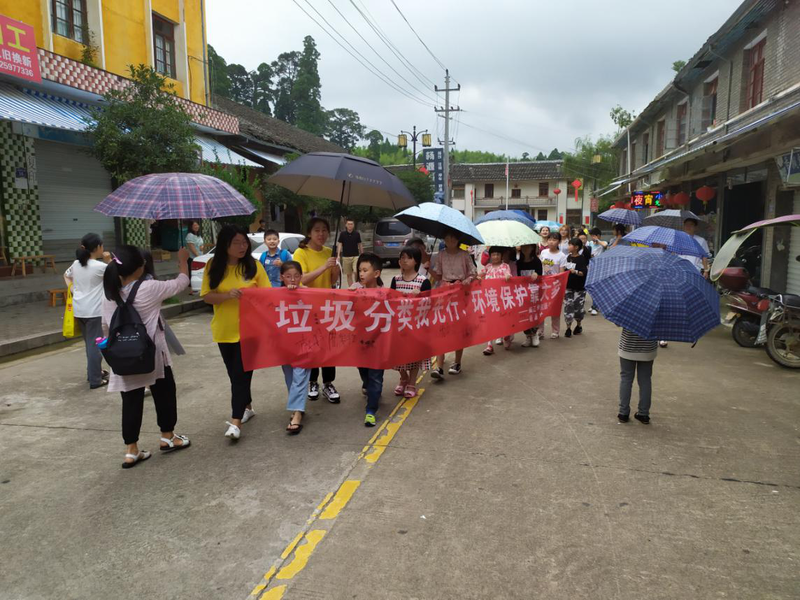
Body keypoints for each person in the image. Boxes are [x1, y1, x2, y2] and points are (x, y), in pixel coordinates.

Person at [102, 245, 191, 468]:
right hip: (151, 355)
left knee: (130, 402)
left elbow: (106, 327)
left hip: (123, 358)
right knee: (165, 393)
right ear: (140, 267)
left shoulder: (109, 293)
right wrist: (182, 260)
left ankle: (131, 451)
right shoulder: (149, 288)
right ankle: (168, 437)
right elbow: (181, 283)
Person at [200, 225, 271, 441]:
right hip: (224, 329)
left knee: (240, 375)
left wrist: (252, 296)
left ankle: (235, 421)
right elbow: (207, 296)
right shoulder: (213, 266)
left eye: (244, 242)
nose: (242, 247)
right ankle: (247, 407)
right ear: (225, 245)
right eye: (236, 243)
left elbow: (268, 296)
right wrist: (227, 296)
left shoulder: (254, 266)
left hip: (250, 332)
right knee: (234, 375)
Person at [293, 217, 341, 402]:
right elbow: (300, 279)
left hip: (327, 307)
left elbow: (332, 281)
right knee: (312, 346)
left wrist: (334, 268)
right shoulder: (300, 253)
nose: (321, 234)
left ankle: (328, 383)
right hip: (307, 309)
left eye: (324, 230)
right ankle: (312, 381)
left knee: (328, 347)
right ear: (309, 233)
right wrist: (324, 267)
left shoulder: (329, 252)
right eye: (317, 230)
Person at [64, 233, 111, 389]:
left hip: (79, 309)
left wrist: (73, 290)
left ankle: (94, 372)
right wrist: (109, 261)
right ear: (97, 247)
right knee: (95, 345)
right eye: (101, 245)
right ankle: (95, 379)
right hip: (94, 311)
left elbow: (66, 275)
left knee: (89, 343)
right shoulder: (101, 267)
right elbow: (118, 278)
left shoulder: (76, 264)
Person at [429, 229, 476, 380]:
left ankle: (457, 362)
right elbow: (438, 275)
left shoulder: (464, 254)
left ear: (458, 240)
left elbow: (473, 272)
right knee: (442, 327)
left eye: (453, 239)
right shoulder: (441, 254)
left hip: (460, 292)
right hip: (444, 292)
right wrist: (427, 268)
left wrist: (466, 281)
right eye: (447, 238)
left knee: (458, 328)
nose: (450, 241)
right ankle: (439, 366)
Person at [391, 246, 432, 398]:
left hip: (417, 324)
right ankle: (403, 378)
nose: (404, 260)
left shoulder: (423, 281)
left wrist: (419, 297)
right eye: (402, 257)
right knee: (397, 353)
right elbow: (391, 300)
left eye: (408, 257)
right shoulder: (396, 280)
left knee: (414, 354)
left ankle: (411, 382)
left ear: (416, 261)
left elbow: (429, 304)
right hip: (400, 323)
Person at [278, 261, 311, 435]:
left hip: (305, 343)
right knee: (290, 376)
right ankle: (298, 406)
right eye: (288, 276)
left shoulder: (307, 292)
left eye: (296, 276)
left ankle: (297, 414)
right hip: (285, 344)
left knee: (300, 375)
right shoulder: (275, 294)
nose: (293, 279)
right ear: (281, 277)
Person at [355, 253, 385, 427]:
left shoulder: (385, 293)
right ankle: (370, 389)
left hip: (379, 342)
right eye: (360, 270)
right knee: (365, 374)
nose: (361, 274)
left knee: (375, 376)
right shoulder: (355, 289)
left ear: (377, 273)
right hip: (360, 342)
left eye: (365, 270)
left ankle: (371, 410)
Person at [617, 328, 658, 424]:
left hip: (628, 346)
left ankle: (623, 413)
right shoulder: (656, 312)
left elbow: (618, 322)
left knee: (626, 379)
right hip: (648, 348)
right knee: (645, 380)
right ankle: (644, 414)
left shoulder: (628, 311)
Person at [478, 247, 513, 355]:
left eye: (498, 254)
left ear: (501, 256)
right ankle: (489, 345)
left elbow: (509, 274)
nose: (495, 257)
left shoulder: (505, 266)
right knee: (490, 321)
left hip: (502, 298)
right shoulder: (487, 267)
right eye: (493, 254)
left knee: (503, 318)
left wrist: (508, 276)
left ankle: (507, 336)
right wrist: (478, 278)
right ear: (490, 256)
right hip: (490, 298)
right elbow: (479, 275)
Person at [539, 232, 568, 339]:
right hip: (543, 285)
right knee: (541, 309)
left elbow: (561, 274)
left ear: (559, 242)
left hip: (555, 286)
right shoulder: (543, 252)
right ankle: (540, 331)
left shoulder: (562, 256)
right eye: (550, 239)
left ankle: (555, 331)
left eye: (554, 240)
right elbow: (540, 266)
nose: (551, 241)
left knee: (555, 309)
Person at [517, 243, 542, 347]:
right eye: (523, 247)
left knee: (534, 313)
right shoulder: (518, 262)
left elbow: (541, 277)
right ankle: (527, 336)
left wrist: (537, 275)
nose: (525, 249)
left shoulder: (537, 261)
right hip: (522, 293)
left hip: (534, 292)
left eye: (528, 246)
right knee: (524, 315)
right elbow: (517, 277)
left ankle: (535, 334)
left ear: (532, 248)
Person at [563, 238, 588, 338]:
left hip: (579, 288)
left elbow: (584, 273)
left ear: (576, 247)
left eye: (570, 245)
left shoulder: (581, 259)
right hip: (568, 287)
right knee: (568, 306)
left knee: (578, 308)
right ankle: (568, 328)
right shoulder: (567, 257)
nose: (568, 247)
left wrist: (575, 272)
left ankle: (578, 325)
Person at [336, 218, 363, 287]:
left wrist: (362, 254)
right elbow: (340, 244)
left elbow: (360, 244)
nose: (350, 225)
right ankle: (351, 288)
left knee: (356, 272)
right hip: (346, 257)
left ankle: (358, 286)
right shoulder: (342, 234)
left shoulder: (357, 234)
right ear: (346, 225)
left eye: (351, 224)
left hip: (355, 256)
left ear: (353, 225)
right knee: (349, 274)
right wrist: (338, 255)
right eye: (348, 224)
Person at [185, 221, 204, 295]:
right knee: (193, 274)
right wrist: (198, 257)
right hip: (193, 258)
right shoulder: (190, 236)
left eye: (197, 225)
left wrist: (202, 247)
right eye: (194, 225)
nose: (197, 226)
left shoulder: (198, 235)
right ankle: (192, 290)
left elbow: (201, 246)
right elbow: (192, 248)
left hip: (200, 257)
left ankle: (197, 288)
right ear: (191, 227)